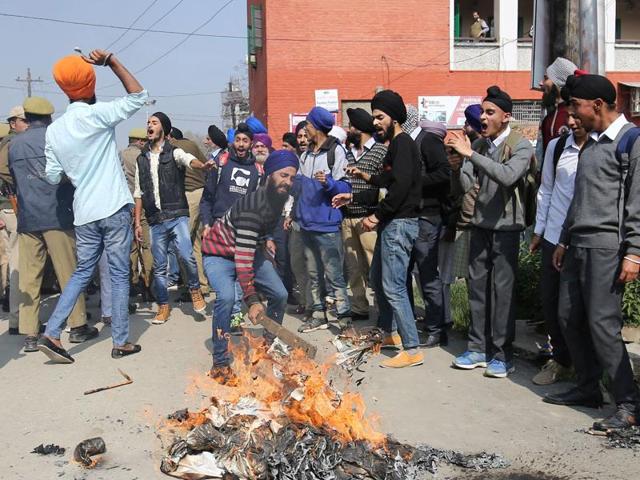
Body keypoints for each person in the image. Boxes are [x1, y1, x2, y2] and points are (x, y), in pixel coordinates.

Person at [38, 50, 146, 363]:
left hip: (84, 211)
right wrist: (112, 61)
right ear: (91, 84)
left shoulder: (54, 131)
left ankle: (54, 332)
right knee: (118, 273)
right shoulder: (99, 115)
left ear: (63, 89)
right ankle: (121, 341)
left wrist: (75, 166)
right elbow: (139, 96)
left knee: (82, 271)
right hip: (113, 207)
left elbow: (53, 175)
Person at [545, 74, 640, 430]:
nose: (572, 114)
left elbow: (637, 202)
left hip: (607, 247)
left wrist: (634, 253)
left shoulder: (630, 141)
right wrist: (565, 239)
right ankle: (587, 387)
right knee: (568, 317)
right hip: (577, 245)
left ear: (597, 105)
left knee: (603, 325)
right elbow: (578, 198)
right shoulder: (590, 144)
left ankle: (628, 404)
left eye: (576, 106)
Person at [447, 86, 533, 378]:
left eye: (489, 112)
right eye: (482, 112)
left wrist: (471, 153)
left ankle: (502, 355)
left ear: (506, 116)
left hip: (507, 228)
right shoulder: (481, 145)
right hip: (480, 225)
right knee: (478, 290)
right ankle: (477, 348)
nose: (482, 118)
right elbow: (468, 184)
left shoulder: (521, 145)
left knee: (502, 293)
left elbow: (508, 176)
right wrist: (460, 162)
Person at [338, 90, 423, 368]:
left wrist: (376, 216)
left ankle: (412, 348)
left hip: (400, 224)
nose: (375, 123)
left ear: (395, 118)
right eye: (374, 117)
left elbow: (398, 189)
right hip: (392, 222)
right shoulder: (395, 146)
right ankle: (390, 334)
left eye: (380, 117)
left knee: (394, 286)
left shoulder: (404, 145)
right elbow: (386, 180)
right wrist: (357, 190)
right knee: (378, 278)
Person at [202, 150, 295, 384]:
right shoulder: (253, 206)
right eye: (283, 175)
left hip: (250, 249)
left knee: (280, 294)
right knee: (225, 298)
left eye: (292, 177)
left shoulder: (279, 195)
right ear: (269, 174)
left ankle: (268, 346)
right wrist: (252, 301)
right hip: (219, 254)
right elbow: (243, 261)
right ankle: (220, 362)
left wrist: (266, 245)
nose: (288, 182)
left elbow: (259, 235)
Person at [7, 97, 92, 353]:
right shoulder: (56, 138)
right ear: (49, 116)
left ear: (28, 117)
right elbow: (72, 173)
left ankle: (30, 334)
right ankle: (77, 326)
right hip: (57, 216)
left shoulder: (14, 145)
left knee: (30, 279)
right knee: (68, 273)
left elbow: (15, 179)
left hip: (28, 219)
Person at [133, 112, 213, 324]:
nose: (149, 125)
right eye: (148, 122)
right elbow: (139, 192)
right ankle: (163, 306)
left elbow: (188, 160)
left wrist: (202, 166)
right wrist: (137, 222)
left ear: (164, 129)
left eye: (154, 122)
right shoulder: (141, 158)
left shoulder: (174, 152)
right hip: (155, 219)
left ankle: (195, 289)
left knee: (186, 255)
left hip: (177, 214)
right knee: (159, 266)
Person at [529, 111, 587, 385]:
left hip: (586, 239)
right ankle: (562, 361)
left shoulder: (605, 146)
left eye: (577, 115)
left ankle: (589, 370)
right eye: (570, 116)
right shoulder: (558, 147)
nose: (572, 122)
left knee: (581, 308)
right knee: (551, 303)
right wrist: (540, 231)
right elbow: (547, 189)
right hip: (553, 236)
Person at [293, 106, 353, 333]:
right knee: (313, 273)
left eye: (307, 124)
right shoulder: (306, 154)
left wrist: (328, 183)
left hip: (327, 225)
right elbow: (299, 185)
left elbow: (345, 185)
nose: (305, 128)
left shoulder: (336, 152)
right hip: (306, 223)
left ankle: (345, 319)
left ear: (317, 127)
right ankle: (318, 314)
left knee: (334, 275)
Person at [200, 124, 263, 331]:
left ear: (251, 143)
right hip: (219, 228)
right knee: (226, 279)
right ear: (233, 142)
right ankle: (230, 316)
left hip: (244, 231)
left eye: (245, 141)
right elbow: (207, 198)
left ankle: (235, 316)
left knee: (239, 273)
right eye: (238, 140)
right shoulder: (221, 164)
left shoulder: (258, 171)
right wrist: (207, 223)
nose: (241, 144)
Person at [403, 105, 451, 347]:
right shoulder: (402, 144)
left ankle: (436, 329)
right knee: (402, 273)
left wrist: (413, 182)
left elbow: (444, 174)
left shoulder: (427, 141)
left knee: (427, 274)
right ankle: (408, 324)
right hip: (406, 217)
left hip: (427, 217)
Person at [337, 107, 386, 320]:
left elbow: (383, 187)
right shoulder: (347, 153)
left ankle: (382, 307)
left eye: (352, 126)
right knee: (353, 265)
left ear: (361, 129)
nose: (349, 130)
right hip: (347, 217)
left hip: (369, 217)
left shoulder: (380, 152)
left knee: (374, 265)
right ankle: (359, 307)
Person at [167, 126, 210, 296]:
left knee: (181, 244)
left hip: (188, 196)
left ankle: (192, 287)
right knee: (195, 244)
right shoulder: (192, 144)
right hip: (201, 193)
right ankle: (202, 285)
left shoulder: (172, 148)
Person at [0, 105, 29, 333]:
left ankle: (17, 318)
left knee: (13, 262)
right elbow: (3, 169)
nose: (28, 124)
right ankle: (19, 321)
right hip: (14, 208)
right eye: (23, 120)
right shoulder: (12, 143)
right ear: (13, 123)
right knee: (19, 264)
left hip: (9, 209)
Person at [120, 127, 153, 301]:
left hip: (124, 207)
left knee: (130, 247)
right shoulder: (144, 157)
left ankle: (131, 282)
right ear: (140, 141)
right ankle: (148, 282)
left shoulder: (119, 155)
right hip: (143, 206)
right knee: (146, 246)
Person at [539, 58, 579, 154]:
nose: (541, 83)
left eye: (546, 78)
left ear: (559, 82)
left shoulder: (577, 114)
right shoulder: (549, 117)